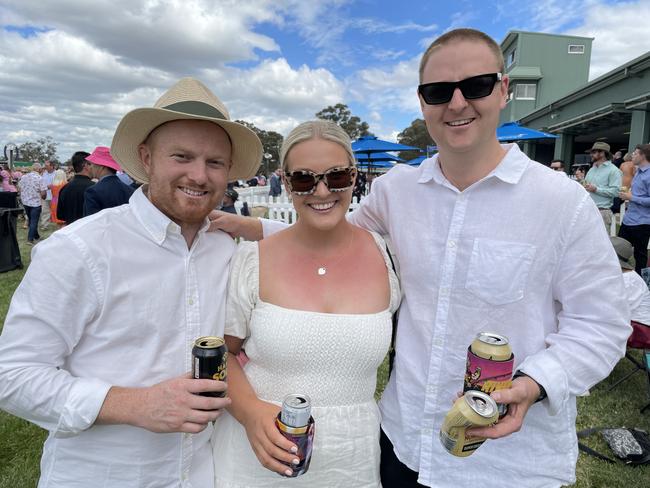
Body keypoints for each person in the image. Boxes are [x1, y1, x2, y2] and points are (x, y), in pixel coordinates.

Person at [212, 28, 631, 488]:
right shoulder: (397, 192)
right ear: (422, 101)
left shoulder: (561, 203)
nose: (456, 104)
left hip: (507, 459)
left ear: (504, 89)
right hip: (403, 444)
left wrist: (534, 384)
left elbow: (603, 324)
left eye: (475, 86)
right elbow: (330, 233)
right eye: (438, 92)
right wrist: (254, 229)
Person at [0, 77, 263, 487]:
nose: (199, 175)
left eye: (215, 162)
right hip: (104, 475)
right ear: (146, 157)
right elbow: (13, 375)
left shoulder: (225, 250)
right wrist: (133, 404)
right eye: (182, 156)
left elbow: (318, 234)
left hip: (201, 473)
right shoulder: (82, 250)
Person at [211, 120, 400, 487]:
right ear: (286, 180)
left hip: (351, 458)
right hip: (257, 456)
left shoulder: (385, 254)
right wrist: (250, 414)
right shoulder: (253, 260)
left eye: (337, 176)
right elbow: (222, 352)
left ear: (355, 176)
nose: (322, 190)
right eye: (303, 179)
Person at [618, 144, 650, 274]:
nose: (632, 155)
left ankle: (642, 286)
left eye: (635, 153)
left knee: (640, 257)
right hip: (629, 219)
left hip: (642, 222)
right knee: (618, 251)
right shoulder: (637, 172)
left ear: (643, 156)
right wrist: (627, 197)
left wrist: (632, 198)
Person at [83, 146, 135, 216]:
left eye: (92, 164)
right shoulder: (131, 190)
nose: (90, 167)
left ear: (101, 166)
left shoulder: (93, 192)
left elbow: (91, 223)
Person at [610, 236, 650, 326]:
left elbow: (613, 310)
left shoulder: (628, 280)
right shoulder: (621, 276)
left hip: (639, 332)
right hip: (629, 326)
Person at [584, 141, 622, 230]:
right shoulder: (592, 169)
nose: (591, 155)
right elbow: (587, 186)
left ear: (602, 153)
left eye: (593, 152)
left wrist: (596, 189)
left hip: (602, 212)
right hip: (587, 210)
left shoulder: (613, 170)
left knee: (600, 243)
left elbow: (616, 192)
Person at [56, 151, 94, 225]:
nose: (94, 168)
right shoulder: (94, 188)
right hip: (88, 230)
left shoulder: (65, 188)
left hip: (71, 231)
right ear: (85, 165)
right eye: (92, 164)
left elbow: (60, 216)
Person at [18, 162, 47, 244]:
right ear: (38, 169)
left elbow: (19, 188)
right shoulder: (40, 178)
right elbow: (43, 193)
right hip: (35, 203)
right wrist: (43, 197)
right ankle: (30, 239)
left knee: (31, 220)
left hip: (26, 202)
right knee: (34, 221)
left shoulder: (24, 177)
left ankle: (36, 236)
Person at [39, 160, 56, 230]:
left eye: (47, 166)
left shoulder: (56, 174)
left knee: (55, 210)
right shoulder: (44, 173)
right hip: (45, 195)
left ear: (52, 166)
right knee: (45, 210)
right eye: (45, 166)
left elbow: (58, 183)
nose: (45, 167)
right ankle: (44, 225)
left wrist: (50, 186)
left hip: (54, 196)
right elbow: (41, 182)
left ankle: (58, 223)